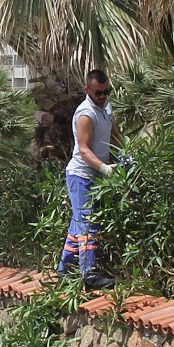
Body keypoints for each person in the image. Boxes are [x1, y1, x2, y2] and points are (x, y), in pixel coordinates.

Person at [61, 70, 115, 291]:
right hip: (81, 176)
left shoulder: (107, 106)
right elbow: (83, 150)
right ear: (87, 91)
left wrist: (126, 154)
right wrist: (104, 167)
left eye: (106, 92)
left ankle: (64, 271)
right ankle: (89, 275)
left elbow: (114, 133)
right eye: (98, 93)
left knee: (78, 224)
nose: (102, 96)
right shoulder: (85, 114)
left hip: (96, 176)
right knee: (88, 225)